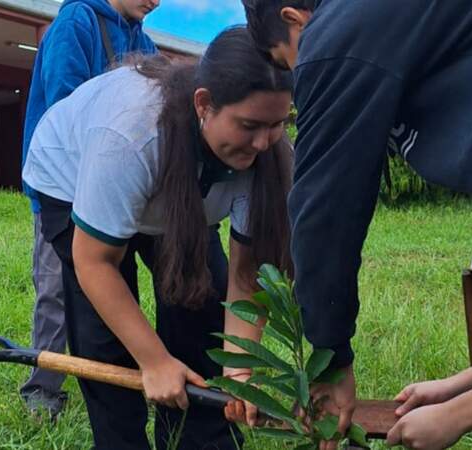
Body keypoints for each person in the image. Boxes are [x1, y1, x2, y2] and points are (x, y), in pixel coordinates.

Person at [241, 0, 472, 448]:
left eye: (289, 63)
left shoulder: (337, 29)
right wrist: (453, 391)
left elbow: (324, 206)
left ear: (294, 20)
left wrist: (330, 360)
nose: (302, 77)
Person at [22, 27, 294, 449]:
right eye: (249, 125)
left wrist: (240, 371)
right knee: (105, 337)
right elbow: (95, 263)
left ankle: (202, 440)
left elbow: (245, 273)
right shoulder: (131, 136)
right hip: (72, 178)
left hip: (174, 196)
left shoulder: (269, 155)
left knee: (202, 305)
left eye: (277, 124)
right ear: (204, 104)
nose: (263, 142)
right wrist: (154, 361)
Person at [19, 0, 159, 420]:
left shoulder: (144, 41)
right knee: (57, 289)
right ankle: (42, 390)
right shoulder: (76, 22)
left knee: (114, 284)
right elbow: (67, 105)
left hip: (118, 186)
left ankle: (124, 376)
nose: (155, 2)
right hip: (63, 185)